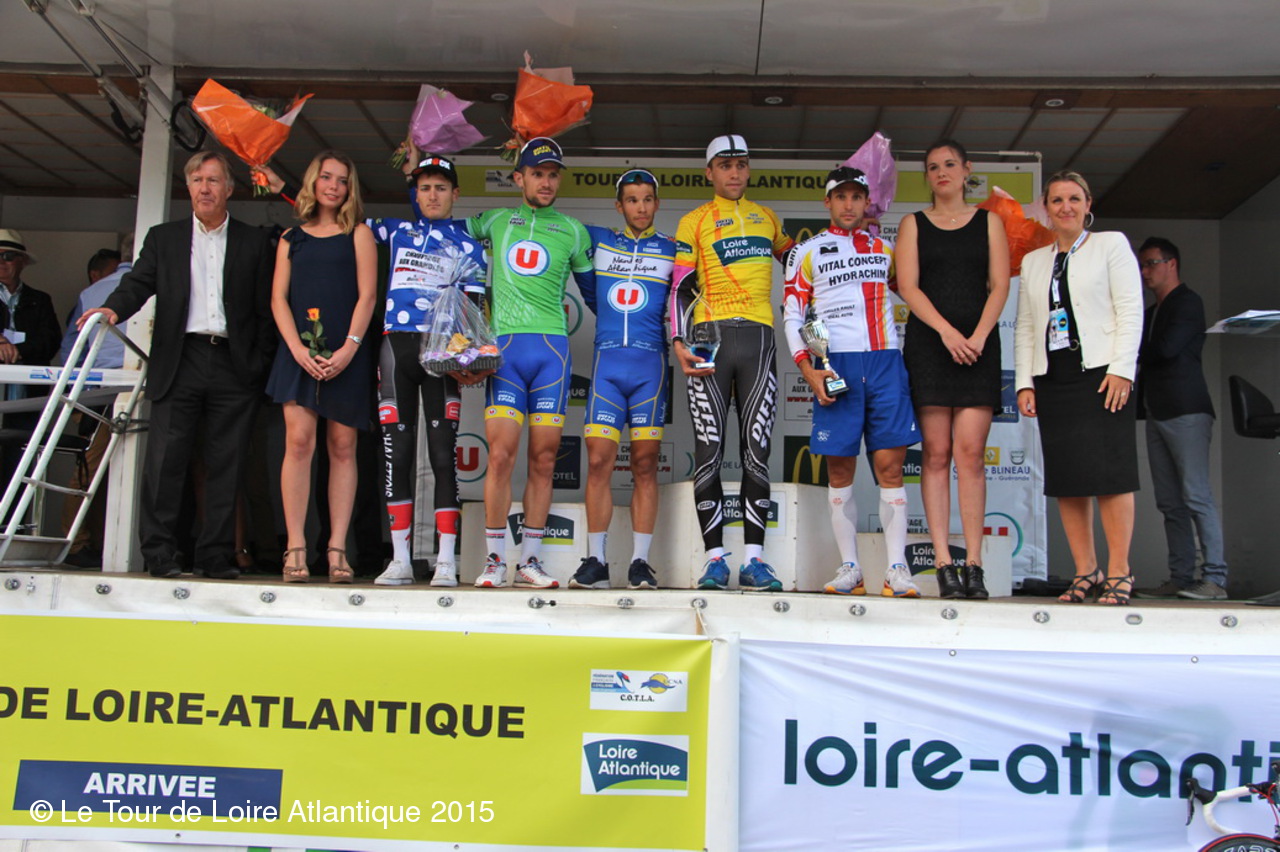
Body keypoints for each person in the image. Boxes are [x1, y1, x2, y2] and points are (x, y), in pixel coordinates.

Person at [257, 153, 486, 587]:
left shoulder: (468, 240)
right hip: (386, 349)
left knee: (439, 455)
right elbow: (324, 225)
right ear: (414, 194)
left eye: (441, 187)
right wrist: (283, 189)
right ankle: (394, 558)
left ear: (455, 193)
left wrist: (472, 359)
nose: (432, 195)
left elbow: (472, 311)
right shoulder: (390, 230)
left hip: (431, 353)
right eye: (424, 187)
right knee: (389, 454)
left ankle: (441, 559)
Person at [81, 150, 277, 580]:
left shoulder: (253, 241)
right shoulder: (164, 238)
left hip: (234, 363)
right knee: (165, 461)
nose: (205, 188)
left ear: (229, 189)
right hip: (180, 358)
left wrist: (258, 362)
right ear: (187, 187)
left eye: (213, 180)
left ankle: (214, 556)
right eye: (197, 180)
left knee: (227, 463)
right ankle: (159, 554)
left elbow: (265, 309)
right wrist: (112, 309)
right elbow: (138, 282)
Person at [783, 167, 921, 597]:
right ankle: (851, 569)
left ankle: (897, 569)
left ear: (867, 202)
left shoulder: (885, 248)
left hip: (885, 361)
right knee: (840, 468)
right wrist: (808, 368)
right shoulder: (807, 251)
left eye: (856, 196)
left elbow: (916, 291)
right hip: (836, 363)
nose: (848, 204)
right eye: (840, 196)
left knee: (891, 467)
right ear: (827, 202)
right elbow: (792, 314)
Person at [668, 134, 795, 591]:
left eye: (741, 164)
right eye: (725, 165)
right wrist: (678, 339)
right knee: (709, 451)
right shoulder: (694, 220)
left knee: (757, 452)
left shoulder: (767, 217)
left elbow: (798, 261)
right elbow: (681, 285)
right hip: (709, 337)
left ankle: (755, 561)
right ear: (710, 172)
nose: (735, 172)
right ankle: (715, 560)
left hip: (759, 336)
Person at [1014, 170, 1142, 605]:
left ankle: (1120, 571)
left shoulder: (1111, 245)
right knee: (1068, 478)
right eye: (1056, 200)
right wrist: (1025, 381)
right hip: (1054, 376)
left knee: (1110, 474)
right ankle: (1086, 571)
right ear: (1046, 209)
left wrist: (1123, 369)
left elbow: (1130, 309)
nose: (1065, 207)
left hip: (1103, 373)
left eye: (1074, 199)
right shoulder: (1034, 261)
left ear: (1088, 205)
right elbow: (1026, 327)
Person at [895, 140, 1010, 600]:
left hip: (979, 346)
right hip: (930, 345)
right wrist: (946, 332)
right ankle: (943, 562)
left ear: (966, 170)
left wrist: (978, 336)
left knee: (971, 454)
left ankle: (974, 564)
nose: (941, 172)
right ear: (927, 177)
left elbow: (1000, 286)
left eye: (948, 164)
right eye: (932, 167)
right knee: (936, 453)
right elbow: (908, 286)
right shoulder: (913, 223)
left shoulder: (990, 221)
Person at [264, 150, 376, 584]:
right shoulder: (291, 238)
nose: (333, 186)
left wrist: (349, 348)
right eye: (327, 177)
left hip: (347, 354)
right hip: (298, 353)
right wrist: (296, 348)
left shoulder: (359, 233)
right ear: (313, 182)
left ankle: (336, 550)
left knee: (343, 447)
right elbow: (278, 298)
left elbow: (367, 296)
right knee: (298, 443)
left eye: (342, 180)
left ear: (350, 188)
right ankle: (296, 547)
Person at [570, 169, 674, 591]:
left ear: (657, 203)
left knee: (645, 464)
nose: (641, 207)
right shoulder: (598, 239)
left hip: (650, 367)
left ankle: (639, 563)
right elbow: (555, 226)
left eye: (648, 199)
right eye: (632, 200)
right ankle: (596, 560)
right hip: (608, 366)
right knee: (598, 461)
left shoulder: (672, 248)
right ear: (619, 205)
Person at [1132, 237, 1228, 601]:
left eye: (1151, 263)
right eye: (1142, 265)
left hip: (1187, 410)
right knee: (1169, 502)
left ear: (1172, 264)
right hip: (1156, 411)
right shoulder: (1152, 311)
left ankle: (1215, 578)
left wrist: (1133, 349)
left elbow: (1166, 349)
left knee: (1196, 495)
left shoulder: (1188, 302)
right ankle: (1181, 577)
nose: (1145, 272)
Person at [57, 245, 129, 567]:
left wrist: (77, 398)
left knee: (89, 469)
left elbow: (71, 350)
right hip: (146, 387)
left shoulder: (91, 293)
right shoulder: (160, 284)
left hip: (99, 391)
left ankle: (76, 544)